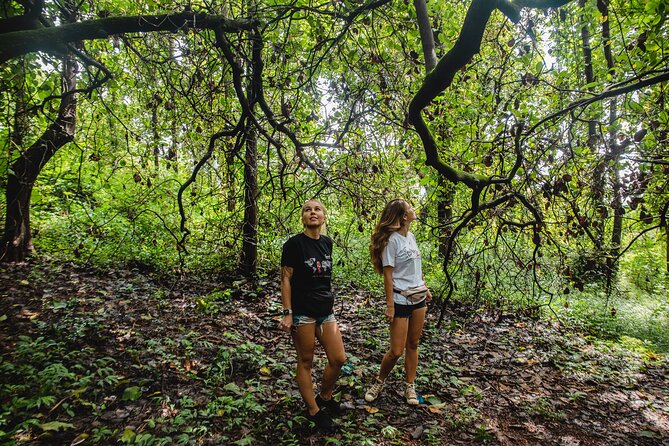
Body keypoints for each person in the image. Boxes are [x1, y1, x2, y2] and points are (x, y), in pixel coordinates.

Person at [278, 199, 346, 430]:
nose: (313, 212)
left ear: (324, 217)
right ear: (303, 217)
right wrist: (288, 313)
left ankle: (324, 397)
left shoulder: (327, 243)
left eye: (317, 209)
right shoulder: (294, 245)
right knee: (306, 360)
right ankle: (313, 411)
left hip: (325, 312)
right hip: (302, 313)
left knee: (338, 359)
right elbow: (286, 279)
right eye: (308, 210)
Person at [364, 198, 431, 406]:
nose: (413, 209)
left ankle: (410, 386)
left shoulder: (411, 237)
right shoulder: (391, 241)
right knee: (396, 350)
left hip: (418, 298)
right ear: (403, 216)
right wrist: (390, 305)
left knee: (413, 344)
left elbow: (415, 268)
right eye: (410, 207)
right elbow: (388, 275)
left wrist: (424, 286)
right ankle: (379, 381)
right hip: (401, 298)